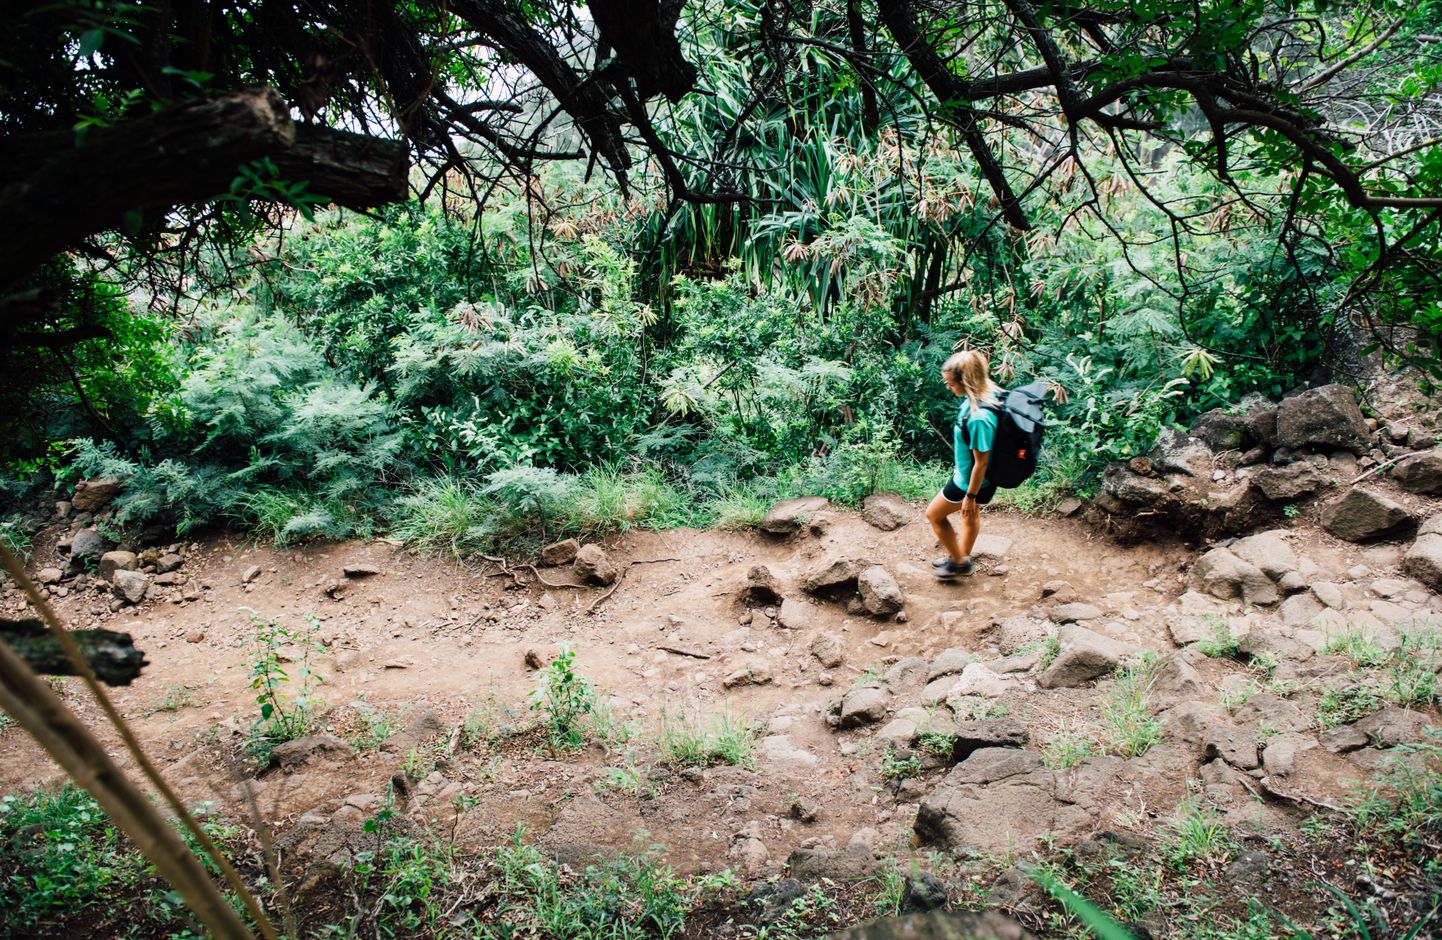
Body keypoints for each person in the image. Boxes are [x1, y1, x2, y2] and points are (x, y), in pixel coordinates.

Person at [926, 349, 1001, 579]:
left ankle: (958, 560)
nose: (948, 387)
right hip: (975, 479)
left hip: (968, 482)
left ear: (966, 381)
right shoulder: (987, 394)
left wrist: (970, 495)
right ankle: (961, 560)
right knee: (970, 517)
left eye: (951, 383)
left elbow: (981, 462)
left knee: (934, 515)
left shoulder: (979, 418)